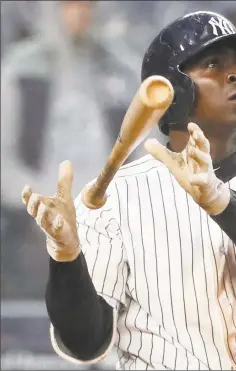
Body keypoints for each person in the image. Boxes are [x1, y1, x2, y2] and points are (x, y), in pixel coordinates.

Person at [21, 11, 236, 370]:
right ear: (172, 90)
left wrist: (219, 200)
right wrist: (67, 258)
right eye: (214, 64)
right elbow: (85, 344)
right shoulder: (115, 198)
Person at [1, 0, 139, 298]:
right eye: (70, 5)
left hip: (108, 213)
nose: (79, 14)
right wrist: (37, 202)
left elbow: (144, 149)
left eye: (88, 5)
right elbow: (4, 157)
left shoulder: (122, 70)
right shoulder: (22, 70)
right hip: (36, 213)